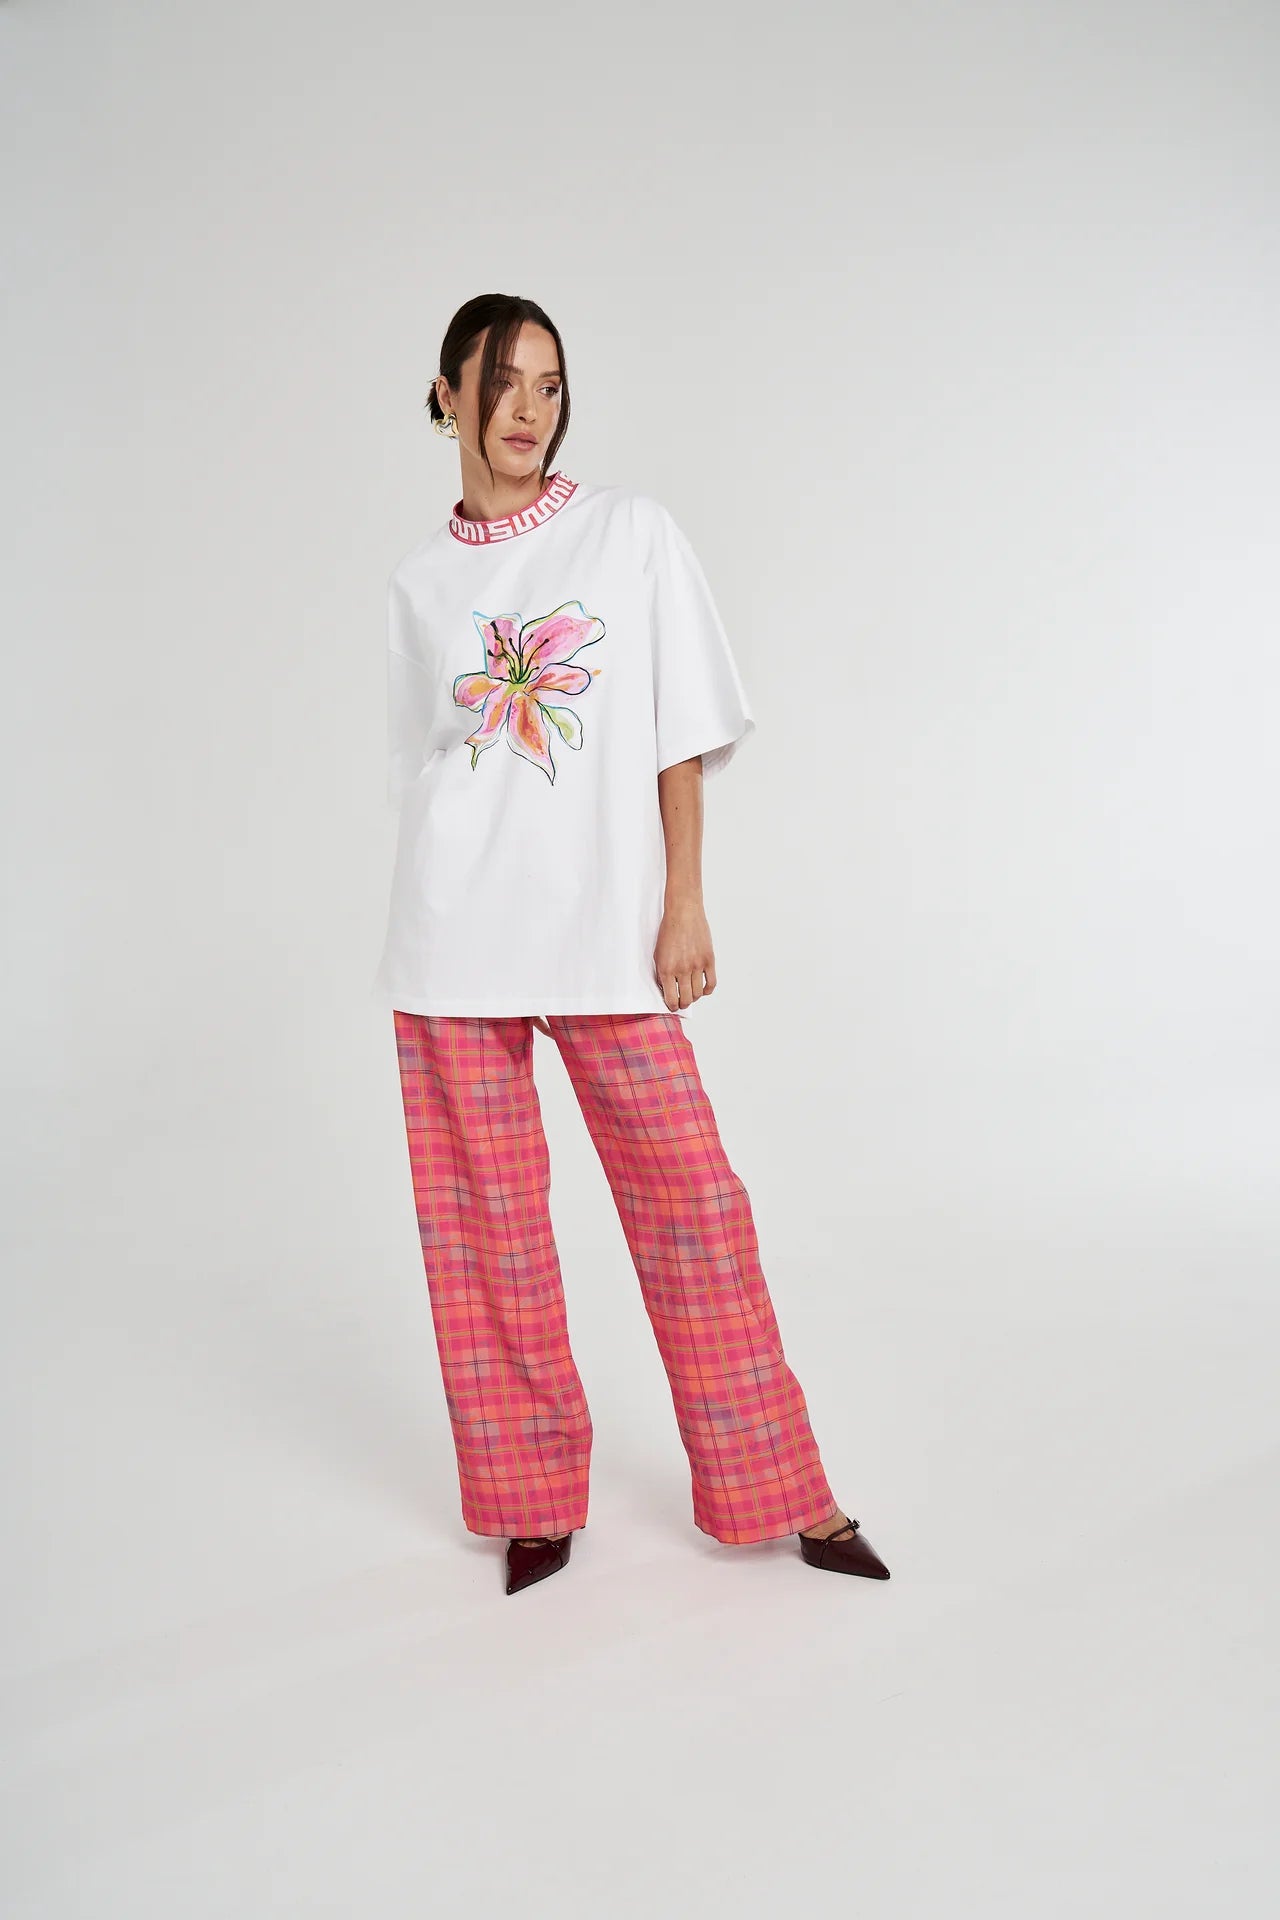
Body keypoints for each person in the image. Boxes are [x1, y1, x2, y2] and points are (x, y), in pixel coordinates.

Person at [371, 292, 890, 1596]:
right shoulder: (420, 581)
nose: (527, 408)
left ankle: (787, 1491)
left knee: (694, 1208)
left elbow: (677, 729)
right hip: (452, 939)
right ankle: (528, 1501)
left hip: (605, 927)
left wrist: (684, 902)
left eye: (549, 383)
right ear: (445, 395)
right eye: (501, 380)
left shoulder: (628, 532)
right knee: (488, 1234)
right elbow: (422, 764)